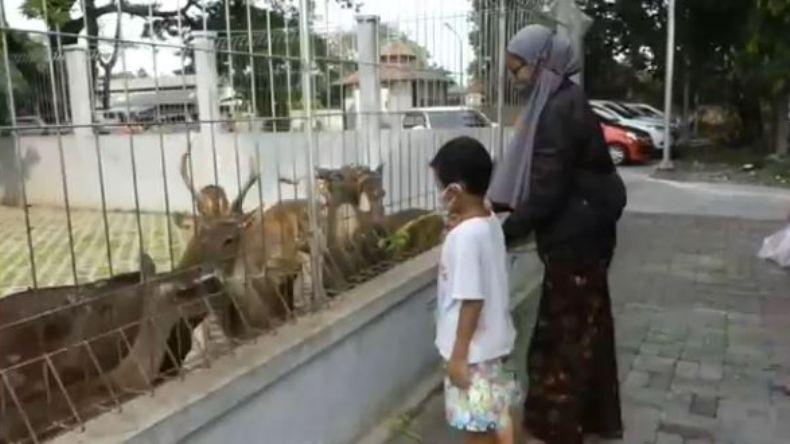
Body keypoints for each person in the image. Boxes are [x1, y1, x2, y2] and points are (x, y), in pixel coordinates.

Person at [487, 25, 626, 444]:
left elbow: (546, 190)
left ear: (543, 63)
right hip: (587, 235)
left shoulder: (558, 110)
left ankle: (559, 427)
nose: (517, 79)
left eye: (520, 70)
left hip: (577, 241)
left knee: (563, 339)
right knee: (589, 329)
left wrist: (499, 233)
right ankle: (595, 419)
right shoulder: (562, 101)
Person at [430, 136, 521, 444]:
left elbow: (472, 300)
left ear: (453, 192)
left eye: (439, 187)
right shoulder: (489, 220)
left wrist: (458, 356)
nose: (438, 195)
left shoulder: (465, 237)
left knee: (476, 426)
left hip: (473, 354)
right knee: (499, 412)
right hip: (495, 345)